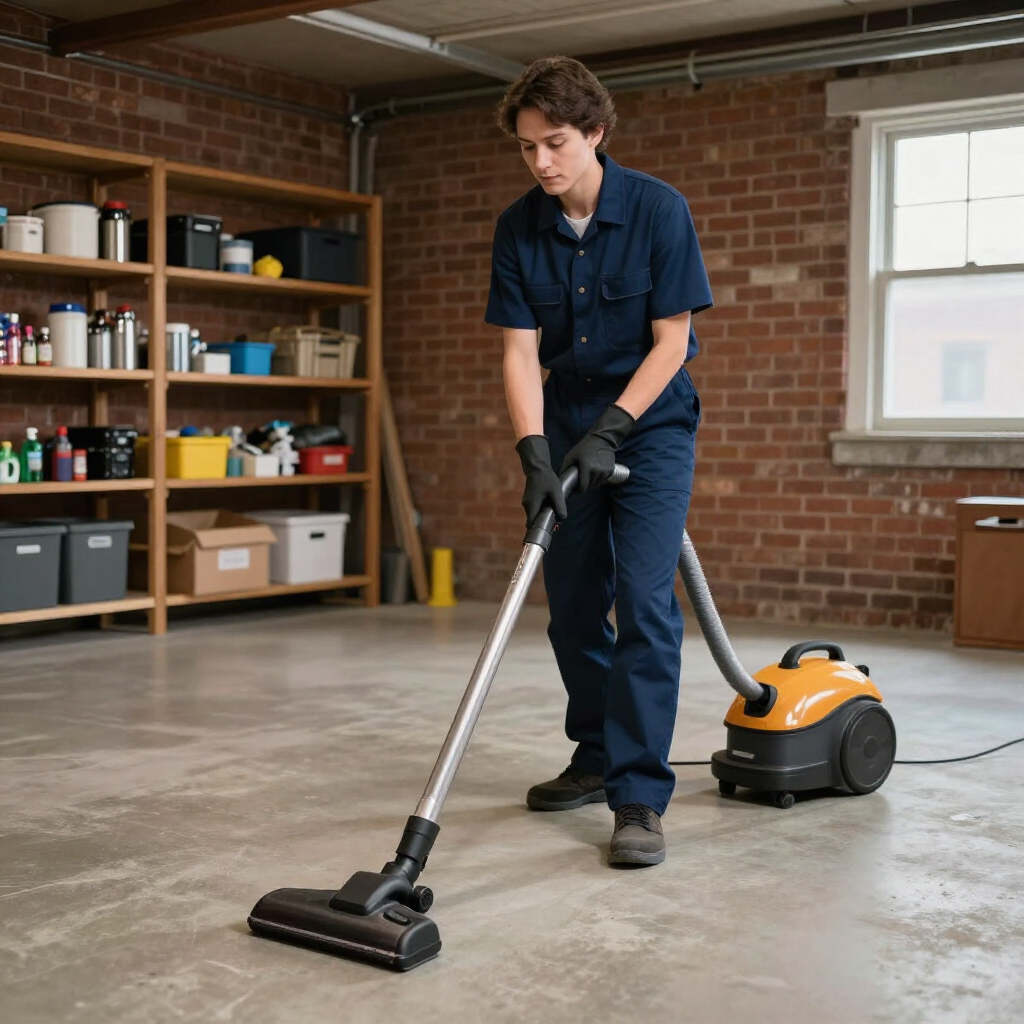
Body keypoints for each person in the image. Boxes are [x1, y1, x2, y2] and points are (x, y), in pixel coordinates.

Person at [485, 56, 713, 867]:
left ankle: (640, 796)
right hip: (567, 415)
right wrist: (534, 452)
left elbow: (673, 343)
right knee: (574, 603)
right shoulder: (519, 227)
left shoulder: (658, 210)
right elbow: (518, 354)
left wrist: (614, 427)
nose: (541, 162)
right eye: (526, 148)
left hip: (649, 425)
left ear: (596, 134)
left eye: (555, 143)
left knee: (644, 599)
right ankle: (595, 755)